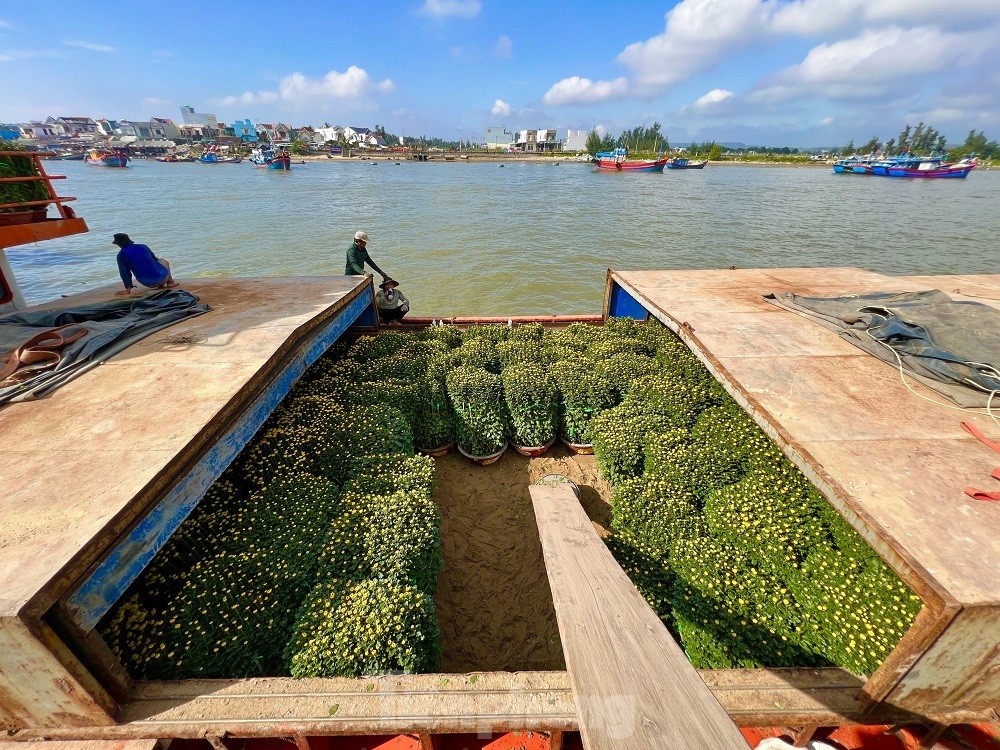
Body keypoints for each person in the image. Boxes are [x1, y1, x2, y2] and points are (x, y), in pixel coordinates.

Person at [112, 233, 177, 296]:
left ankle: (160, 284)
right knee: (162, 261)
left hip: (147, 283)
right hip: (164, 278)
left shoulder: (120, 255)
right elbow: (154, 259)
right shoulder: (143, 246)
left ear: (118, 243)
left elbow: (124, 273)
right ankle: (170, 282)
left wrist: (127, 289)